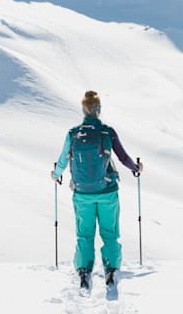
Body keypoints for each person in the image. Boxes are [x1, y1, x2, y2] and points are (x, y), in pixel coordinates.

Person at [51, 90, 142, 290]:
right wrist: (137, 168)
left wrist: (56, 174)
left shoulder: (73, 133)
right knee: (109, 232)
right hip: (107, 191)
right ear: (98, 110)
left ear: (83, 110)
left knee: (84, 234)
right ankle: (111, 268)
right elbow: (123, 158)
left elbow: (64, 159)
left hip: (82, 193)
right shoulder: (107, 132)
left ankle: (84, 269)